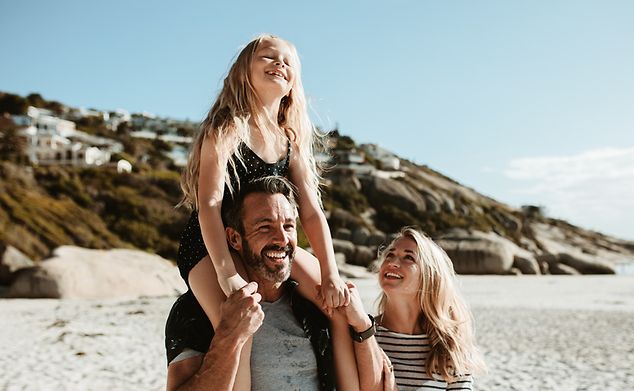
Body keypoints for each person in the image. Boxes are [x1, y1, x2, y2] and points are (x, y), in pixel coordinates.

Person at [171, 34, 351, 389]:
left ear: (292, 84)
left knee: (339, 305)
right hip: (212, 245)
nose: (279, 64)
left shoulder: (288, 138)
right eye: (268, 57)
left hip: (267, 238)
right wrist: (227, 274)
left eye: (287, 62)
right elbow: (209, 203)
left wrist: (330, 272)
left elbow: (311, 212)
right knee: (243, 323)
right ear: (243, 72)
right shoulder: (226, 128)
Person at [167, 176, 353, 390]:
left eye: (289, 226)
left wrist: (365, 329)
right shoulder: (196, 310)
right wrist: (229, 336)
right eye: (265, 227)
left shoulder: (314, 305)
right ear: (234, 238)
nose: (282, 239)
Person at [340, 227, 487, 390]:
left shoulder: (449, 345)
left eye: (408, 257)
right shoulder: (362, 335)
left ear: (429, 276)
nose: (393, 262)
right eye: (390, 254)